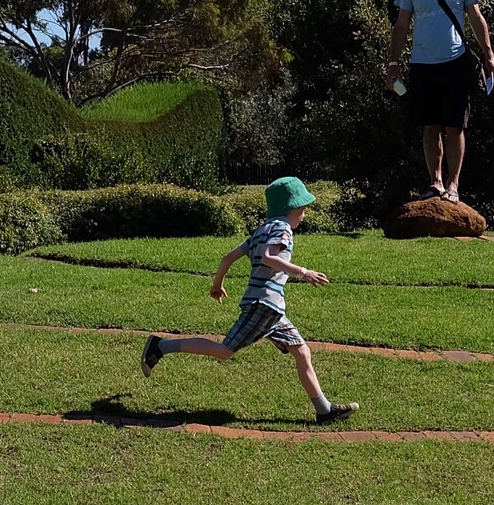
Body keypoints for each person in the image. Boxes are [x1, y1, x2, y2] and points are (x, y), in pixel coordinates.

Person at [138, 176, 358, 423]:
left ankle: (324, 410)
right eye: (303, 208)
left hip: (272, 310)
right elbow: (267, 257)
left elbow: (227, 257)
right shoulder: (282, 229)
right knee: (224, 351)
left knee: (302, 351)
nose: (304, 214)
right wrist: (303, 272)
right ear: (291, 207)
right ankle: (161, 346)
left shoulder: (262, 230)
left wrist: (217, 284)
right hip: (264, 305)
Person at [383, 0, 494, 202]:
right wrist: (393, 63)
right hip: (422, 64)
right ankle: (435, 182)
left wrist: (489, 55)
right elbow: (401, 26)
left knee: (455, 126)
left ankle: (453, 185)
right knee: (430, 126)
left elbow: (476, 19)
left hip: (455, 63)